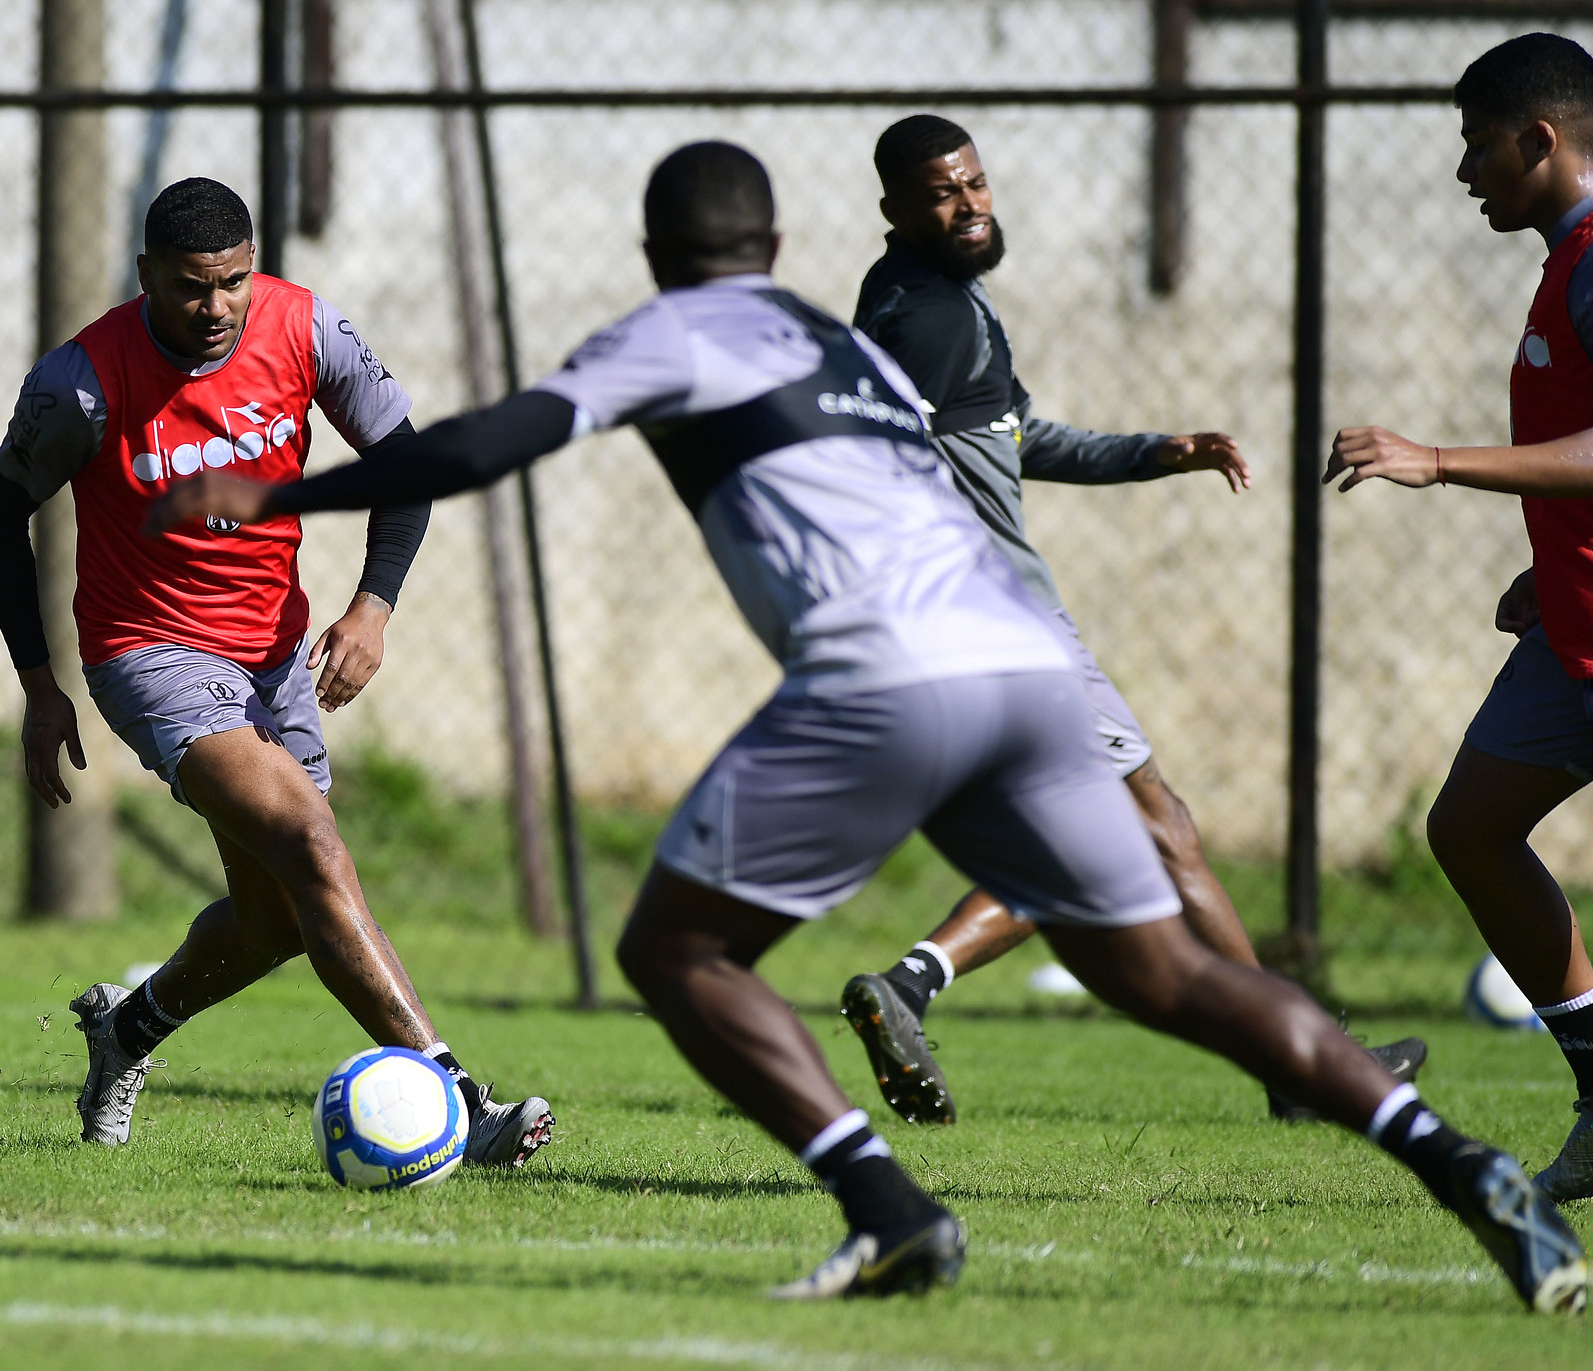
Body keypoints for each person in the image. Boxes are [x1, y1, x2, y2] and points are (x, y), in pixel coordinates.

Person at [145, 142, 1585, 1310]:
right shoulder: (846, 343)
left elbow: (482, 444)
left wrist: (279, 501)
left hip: (882, 676)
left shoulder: (673, 331)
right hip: (1026, 662)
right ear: (773, 247)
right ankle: (1465, 1170)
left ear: (663, 257)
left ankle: (888, 1207)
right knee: (1163, 972)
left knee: (673, 948)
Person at [838, 114, 1423, 1127]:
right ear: (895, 209)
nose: (969, 203)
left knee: (1138, 835)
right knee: (1146, 830)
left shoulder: (922, 299)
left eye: (975, 183)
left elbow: (1015, 439)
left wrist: (1158, 450)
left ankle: (1292, 1062)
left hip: (955, 634)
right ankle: (1295, 1062)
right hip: (998, 627)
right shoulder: (925, 319)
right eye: (942, 193)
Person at [0, 176, 553, 1165]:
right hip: (146, 651)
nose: (216, 309)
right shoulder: (81, 382)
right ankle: (458, 1100)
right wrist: (37, 686)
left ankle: (127, 1031)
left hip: (275, 653)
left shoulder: (306, 329)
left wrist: (373, 604)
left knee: (275, 919)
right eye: (193, 288)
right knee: (312, 840)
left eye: (233, 282)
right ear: (146, 274)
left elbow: (402, 461)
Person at [1324, 32, 1593, 1206]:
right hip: (1573, 628)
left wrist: (1434, 461)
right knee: (1470, 827)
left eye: (1477, 147)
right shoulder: (1564, 260)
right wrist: (1552, 570)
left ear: (1538, 140)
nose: (1462, 171)